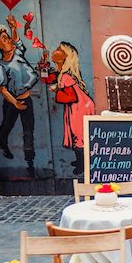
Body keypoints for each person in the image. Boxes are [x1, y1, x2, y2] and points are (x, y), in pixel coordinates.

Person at [0, 14, 38, 170]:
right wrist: (15, 103)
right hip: (12, 102)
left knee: (28, 131)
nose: (8, 39)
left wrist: (13, 28)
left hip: (26, 99)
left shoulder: (17, 53)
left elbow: (16, 40)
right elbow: (2, 88)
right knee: (7, 125)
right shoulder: (1, 65)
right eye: (4, 39)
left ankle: (30, 161)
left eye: (7, 37)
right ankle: (1, 140)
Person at [44, 41, 95, 176]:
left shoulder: (66, 76)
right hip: (78, 106)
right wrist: (43, 67)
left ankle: (82, 165)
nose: (56, 50)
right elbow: (48, 79)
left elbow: (70, 96)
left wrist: (56, 93)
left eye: (60, 49)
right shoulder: (62, 73)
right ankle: (80, 161)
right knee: (76, 134)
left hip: (80, 108)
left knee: (79, 135)